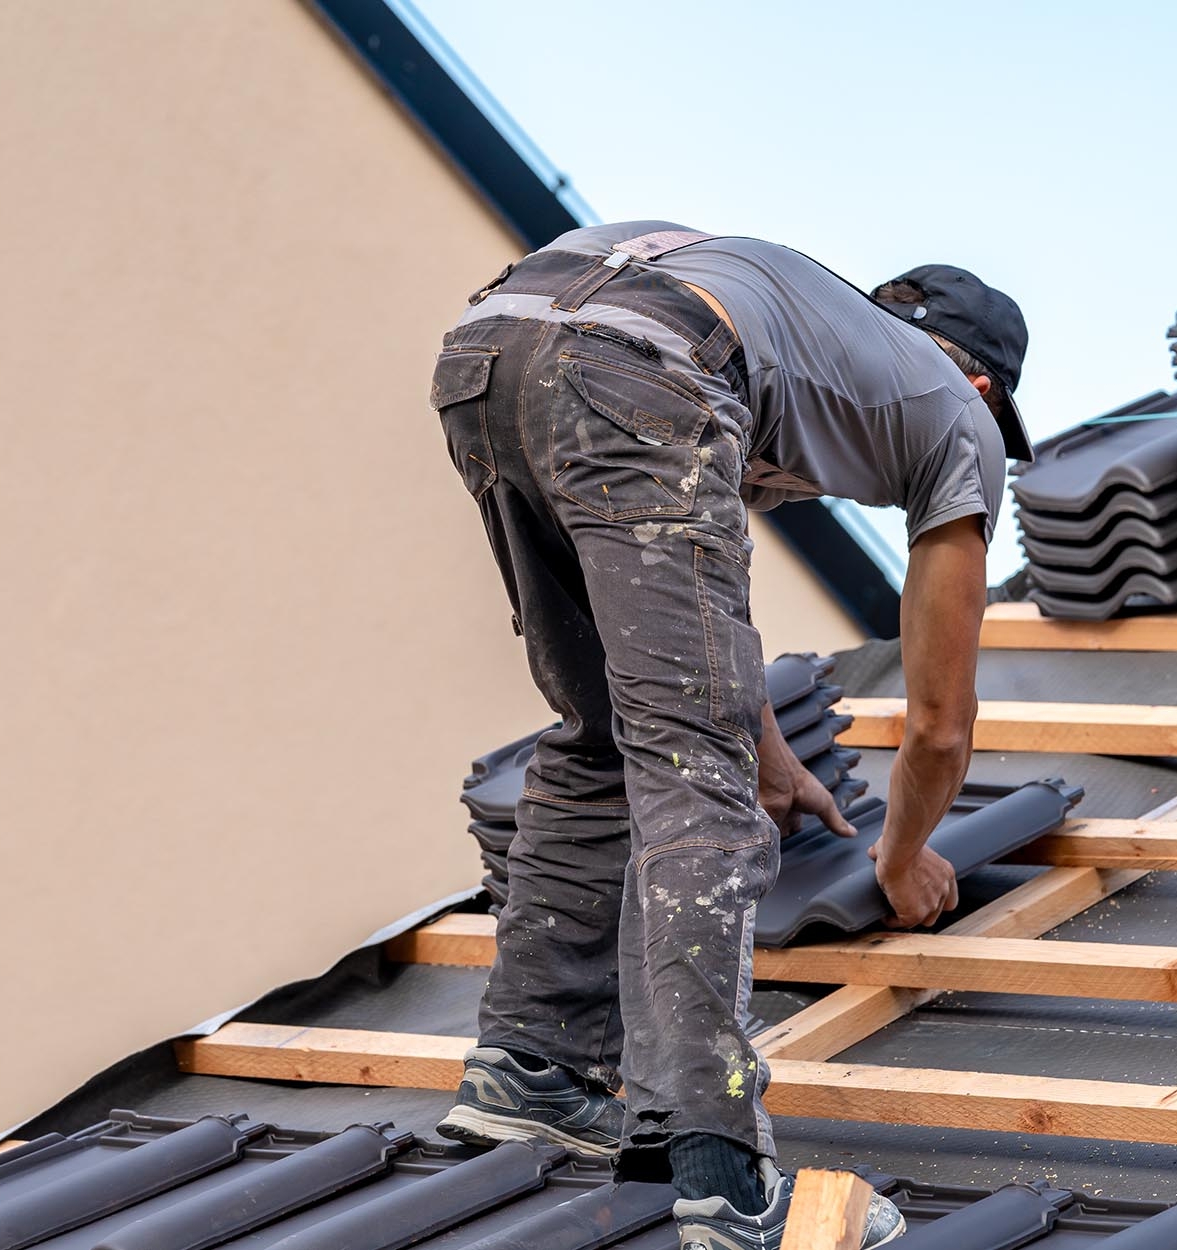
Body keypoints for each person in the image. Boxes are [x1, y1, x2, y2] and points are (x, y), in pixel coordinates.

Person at [427, 221, 1029, 1250]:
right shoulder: (952, 422)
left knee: (605, 733)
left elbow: (690, 616)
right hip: (643, 359)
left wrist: (770, 748)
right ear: (980, 388)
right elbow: (937, 720)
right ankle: (722, 1169)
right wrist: (898, 856)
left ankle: (528, 1065)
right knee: (690, 779)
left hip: (492, 344)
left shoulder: (807, 345)